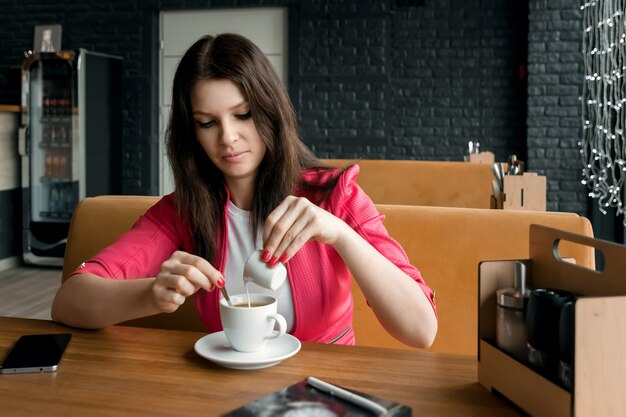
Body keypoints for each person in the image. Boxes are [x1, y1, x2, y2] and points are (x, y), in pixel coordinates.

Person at [51, 33, 437, 348]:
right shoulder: (183, 211)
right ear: (193, 135)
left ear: (269, 110)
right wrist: (151, 294)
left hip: (324, 386)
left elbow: (421, 330)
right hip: (228, 389)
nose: (228, 138)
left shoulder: (335, 196)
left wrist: (339, 234)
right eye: (207, 123)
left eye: (243, 115)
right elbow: (69, 301)